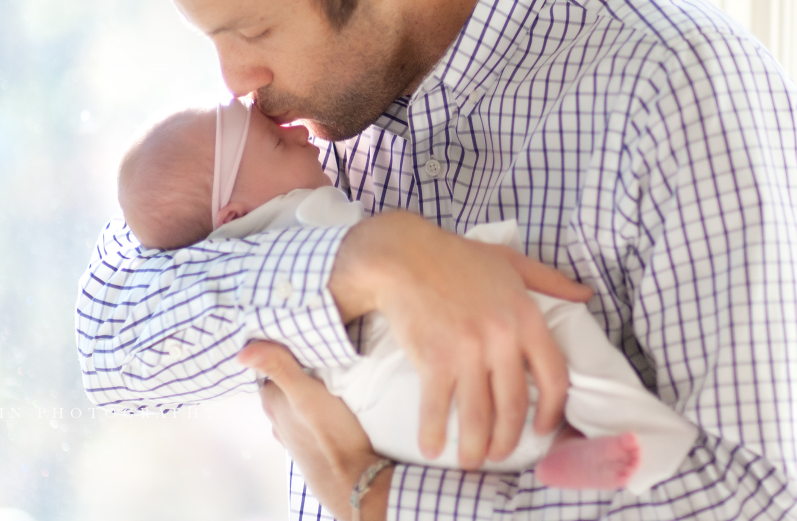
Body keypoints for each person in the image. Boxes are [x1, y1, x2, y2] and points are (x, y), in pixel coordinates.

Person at [78, 0, 797, 519]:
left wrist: (382, 499)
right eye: (214, 36)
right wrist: (357, 264)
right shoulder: (288, 125)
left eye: (254, 32)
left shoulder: (681, 88)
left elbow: (761, 493)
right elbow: (112, 346)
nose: (235, 79)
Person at [115, 98, 699, 494]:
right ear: (233, 212)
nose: (291, 127)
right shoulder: (300, 212)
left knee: (482, 407)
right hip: (404, 370)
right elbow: (111, 341)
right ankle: (638, 440)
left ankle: (550, 454)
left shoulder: (231, 255)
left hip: (377, 418)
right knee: (548, 320)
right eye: (273, 142)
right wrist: (381, 258)